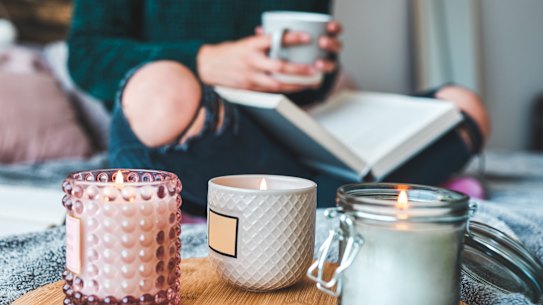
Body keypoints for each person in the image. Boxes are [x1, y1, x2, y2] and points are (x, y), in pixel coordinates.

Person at [68, 0, 490, 216]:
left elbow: (310, 84)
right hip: (196, 129)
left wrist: (316, 69)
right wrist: (205, 60)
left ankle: (307, 194)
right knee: (161, 87)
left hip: (282, 129)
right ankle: (341, 194)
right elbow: (85, 55)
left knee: (463, 107)